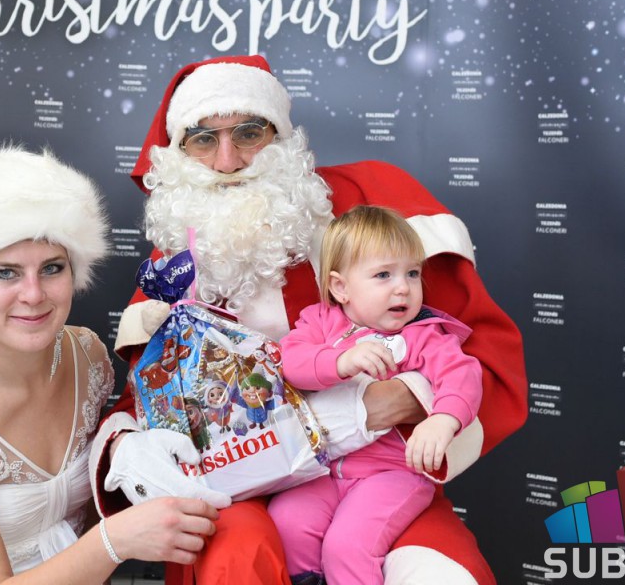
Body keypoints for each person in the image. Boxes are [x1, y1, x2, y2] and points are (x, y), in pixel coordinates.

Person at [88, 56, 527, 585]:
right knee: (237, 560)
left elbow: (480, 354)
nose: (227, 161)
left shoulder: (367, 209)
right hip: (240, 488)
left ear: (281, 135)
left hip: (379, 467)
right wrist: (130, 447)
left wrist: (410, 396)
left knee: (442, 576)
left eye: (249, 133)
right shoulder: (173, 266)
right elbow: (145, 399)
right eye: (202, 139)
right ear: (178, 153)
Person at [0, 148, 218, 584]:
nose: (33, 294)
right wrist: (114, 542)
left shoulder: (86, 356)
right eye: (5, 273)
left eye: (51, 268)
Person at [268, 205, 483, 585]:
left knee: (347, 546)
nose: (403, 287)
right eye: (383, 274)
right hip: (323, 470)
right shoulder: (319, 321)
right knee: (287, 521)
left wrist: (442, 420)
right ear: (340, 288)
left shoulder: (422, 334)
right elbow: (290, 361)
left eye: (412, 273)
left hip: (391, 474)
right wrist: (339, 361)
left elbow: (462, 375)